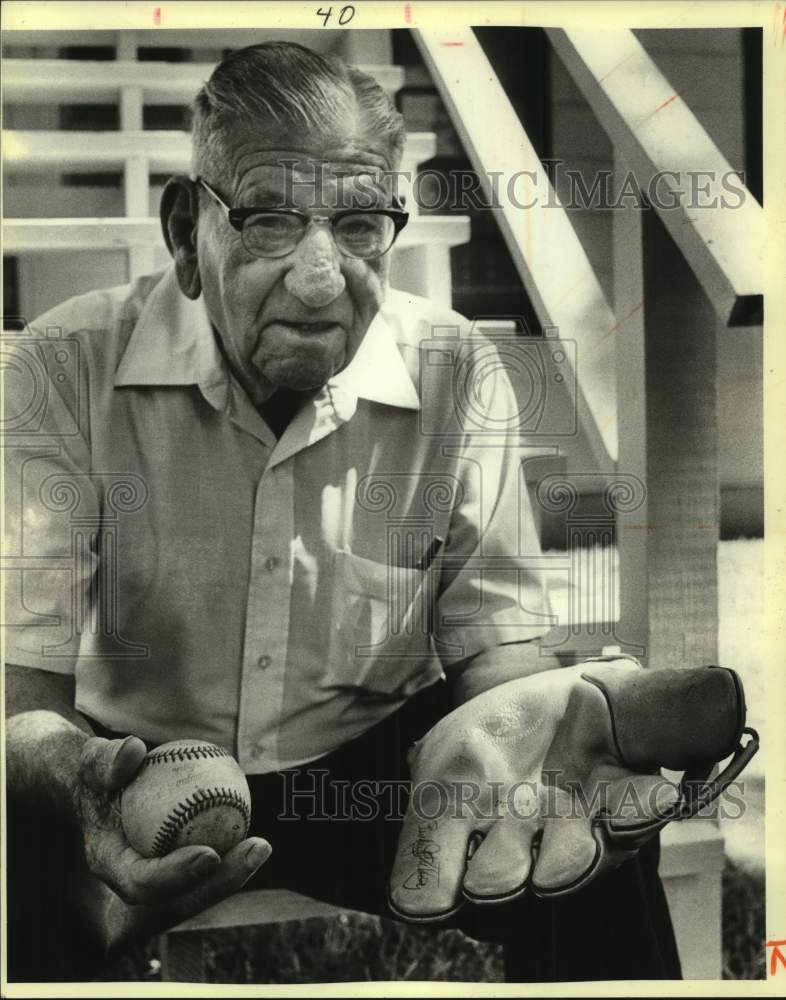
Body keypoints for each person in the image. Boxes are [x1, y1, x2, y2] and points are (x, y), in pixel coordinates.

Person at [4, 41, 682, 983]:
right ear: (184, 234)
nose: (323, 279)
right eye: (271, 221)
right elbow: (20, 701)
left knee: (582, 832)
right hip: (132, 767)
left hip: (365, 773)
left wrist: (521, 735)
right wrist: (78, 785)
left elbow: (497, 657)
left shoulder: (456, 369)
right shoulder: (61, 367)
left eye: (360, 223)